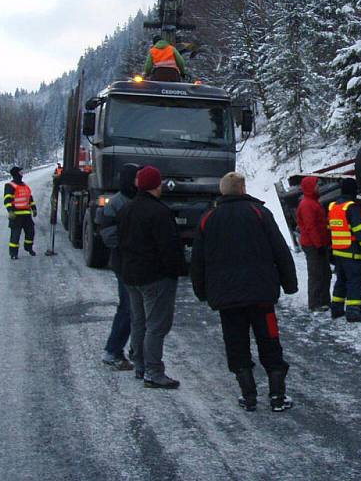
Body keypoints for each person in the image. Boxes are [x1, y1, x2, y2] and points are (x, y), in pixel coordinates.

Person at [191, 172, 297, 412]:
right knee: (270, 341)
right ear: (242, 188)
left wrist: (201, 291)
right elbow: (280, 250)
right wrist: (289, 283)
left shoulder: (208, 218)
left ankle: (248, 396)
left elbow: (198, 261)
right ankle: (277, 396)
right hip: (261, 296)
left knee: (236, 344)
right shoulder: (259, 213)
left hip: (228, 300)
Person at [118, 165, 184, 389]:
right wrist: (177, 270)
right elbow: (169, 247)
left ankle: (140, 365)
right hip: (155, 276)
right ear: (157, 185)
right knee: (157, 325)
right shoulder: (160, 212)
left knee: (139, 322)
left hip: (131, 275)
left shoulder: (127, 209)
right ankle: (154, 371)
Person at [96, 163, 141, 371]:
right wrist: (132, 247)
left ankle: (130, 350)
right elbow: (108, 235)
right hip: (124, 263)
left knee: (135, 308)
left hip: (136, 263)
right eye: (136, 177)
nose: (139, 181)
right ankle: (113, 351)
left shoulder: (139, 200)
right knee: (128, 307)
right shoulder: (115, 204)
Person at [328, 177, 361, 322]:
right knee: (354, 281)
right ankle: (353, 312)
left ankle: (336, 309)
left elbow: (330, 229)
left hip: (338, 253)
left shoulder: (333, 206)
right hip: (352, 253)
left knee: (341, 281)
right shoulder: (352, 208)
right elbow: (360, 232)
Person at [295, 176, 332, 311]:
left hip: (318, 243)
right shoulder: (307, 205)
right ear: (310, 187)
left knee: (325, 273)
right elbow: (311, 227)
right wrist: (319, 245)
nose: (318, 187)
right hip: (313, 245)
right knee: (316, 274)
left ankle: (324, 301)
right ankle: (315, 303)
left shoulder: (313, 202)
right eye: (316, 185)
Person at [4, 166, 37, 259]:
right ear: (16, 174)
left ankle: (28, 248)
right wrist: (10, 211)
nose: (22, 174)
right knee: (15, 235)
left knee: (31, 232)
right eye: (21, 172)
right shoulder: (10, 186)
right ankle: (13, 253)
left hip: (26, 214)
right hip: (16, 215)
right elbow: (7, 200)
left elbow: (30, 198)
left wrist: (34, 208)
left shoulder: (25, 186)